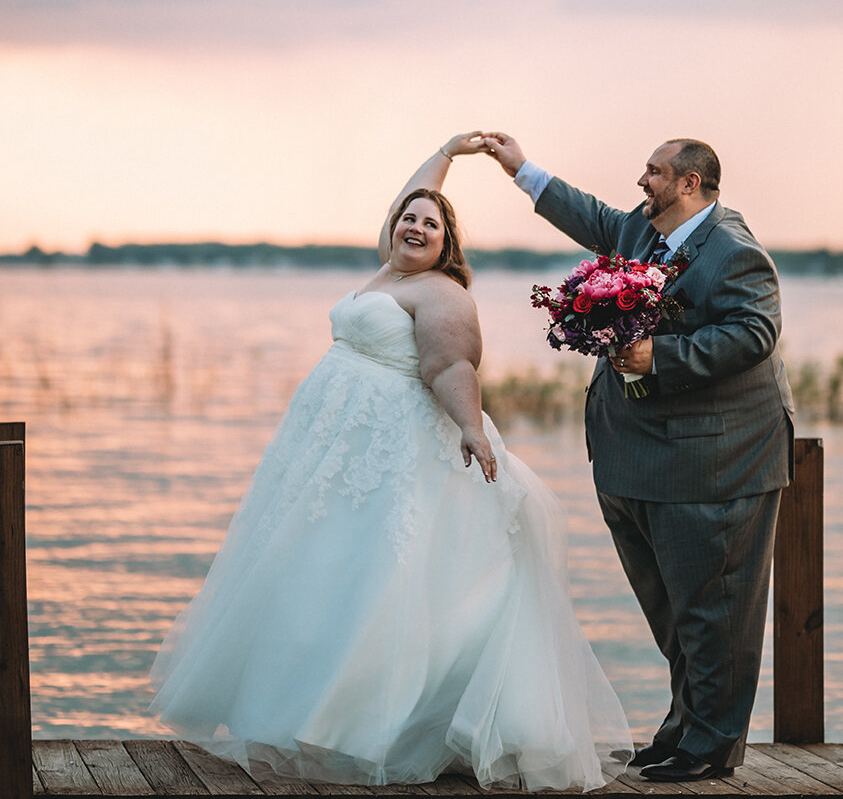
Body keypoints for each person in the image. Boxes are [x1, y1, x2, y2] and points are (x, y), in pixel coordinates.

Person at [149, 133, 632, 792]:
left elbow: (450, 365)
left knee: (381, 580)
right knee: (319, 569)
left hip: (394, 454)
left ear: (446, 245)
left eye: (430, 224)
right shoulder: (388, 270)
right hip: (337, 453)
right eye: (409, 217)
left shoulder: (440, 294)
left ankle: (374, 727)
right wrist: (448, 152)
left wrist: (473, 429)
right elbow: (411, 197)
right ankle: (296, 711)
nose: (415, 224)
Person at [482, 132, 794, 785]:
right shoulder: (642, 233)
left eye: (653, 172)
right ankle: (685, 726)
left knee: (713, 609)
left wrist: (661, 356)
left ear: (690, 183)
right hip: (637, 460)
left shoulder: (734, 251)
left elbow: (754, 333)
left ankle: (712, 745)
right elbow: (589, 216)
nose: (641, 182)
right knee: (674, 609)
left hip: (713, 462)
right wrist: (520, 168)